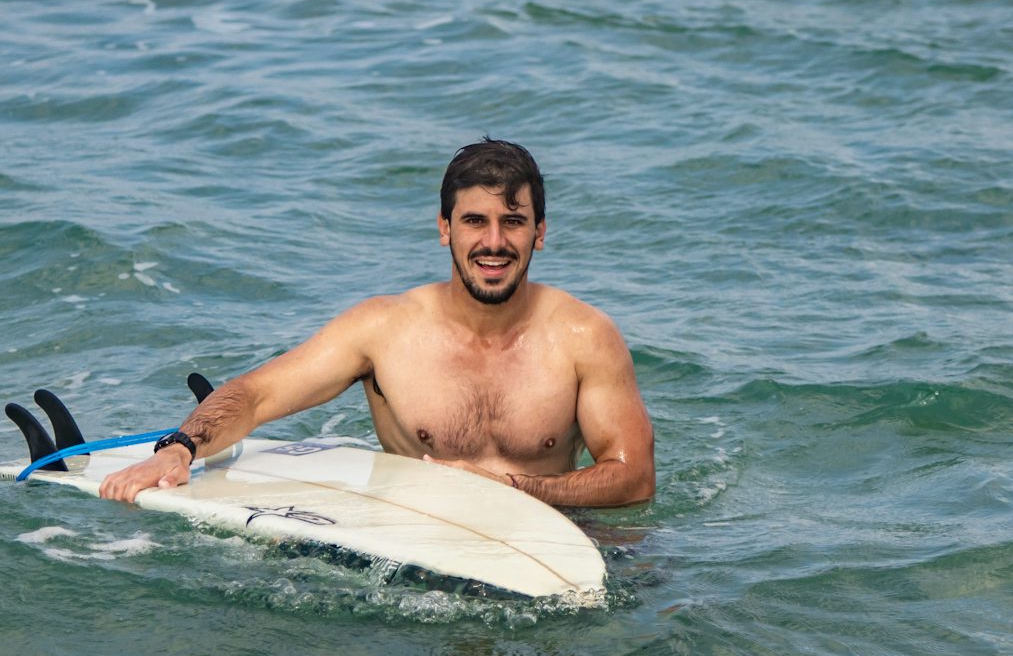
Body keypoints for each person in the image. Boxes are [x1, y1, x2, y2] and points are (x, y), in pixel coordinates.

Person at [99, 139, 655, 509]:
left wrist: (514, 487)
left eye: (513, 221)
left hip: (552, 539)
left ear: (540, 232)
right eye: (474, 221)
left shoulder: (584, 337)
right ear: (445, 228)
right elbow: (256, 395)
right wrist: (179, 449)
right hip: (423, 535)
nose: (493, 242)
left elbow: (634, 478)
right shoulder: (385, 330)